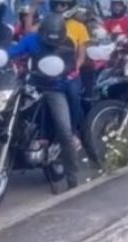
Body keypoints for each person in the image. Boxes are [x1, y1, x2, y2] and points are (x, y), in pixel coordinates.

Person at [8, 13, 80, 190]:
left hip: (55, 89)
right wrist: (0, 55)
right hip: (30, 86)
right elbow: (14, 52)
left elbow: (70, 65)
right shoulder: (31, 40)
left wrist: (64, 73)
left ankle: (72, 174)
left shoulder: (68, 43)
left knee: (64, 129)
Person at [48, 0, 89, 146]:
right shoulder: (47, 23)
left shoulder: (79, 27)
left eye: (63, 5)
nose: (59, 8)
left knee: (73, 95)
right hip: (46, 73)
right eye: (56, 4)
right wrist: (32, 9)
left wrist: (76, 69)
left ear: (71, 6)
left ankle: (72, 132)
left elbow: (81, 53)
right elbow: (29, 34)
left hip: (69, 73)